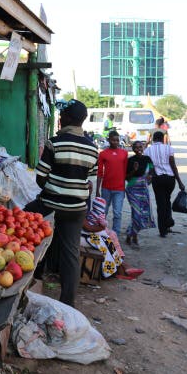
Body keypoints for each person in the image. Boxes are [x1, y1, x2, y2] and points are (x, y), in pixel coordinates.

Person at [31, 99, 98, 306]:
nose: (60, 118)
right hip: (76, 208)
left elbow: (40, 177)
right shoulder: (93, 148)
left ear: (67, 118)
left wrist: (53, 189)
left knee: (32, 236)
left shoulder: (55, 143)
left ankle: (34, 283)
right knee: (70, 253)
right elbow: (91, 184)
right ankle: (68, 303)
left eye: (63, 115)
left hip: (51, 204)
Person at [145, 131, 185, 236]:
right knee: (167, 200)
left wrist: (149, 179)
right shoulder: (169, 148)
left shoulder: (148, 150)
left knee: (160, 203)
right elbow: (173, 166)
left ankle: (163, 230)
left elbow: (149, 167)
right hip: (170, 179)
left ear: (153, 139)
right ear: (163, 139)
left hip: (157, 179)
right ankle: (168, 223)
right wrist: (179, 182)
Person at [96, 130, 128, 236]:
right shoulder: (103, 154)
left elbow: (126, 171)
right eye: (113, 140)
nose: (115, 142)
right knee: (102, 213)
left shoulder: (124, 153)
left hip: (119, 188)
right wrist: (97, 189)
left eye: (117, 140)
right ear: (109, 140)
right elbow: (100, 172)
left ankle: (115, 234)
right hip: (106, 188)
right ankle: (101, 231)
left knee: (117, 213)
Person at [125, 141, 155, 247]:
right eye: (136, 147)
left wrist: (150, 177)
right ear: (133, 149)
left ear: (143, 148)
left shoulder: (147, 159)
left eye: (140, 147)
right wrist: (134, 170)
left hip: (143, 189)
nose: (138, 149)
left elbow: (152, 170)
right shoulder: (130, 161)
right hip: (132, 189)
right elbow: (127, 177)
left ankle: (130, 235)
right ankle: (134, 236)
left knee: (142, 214)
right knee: (136, 213)